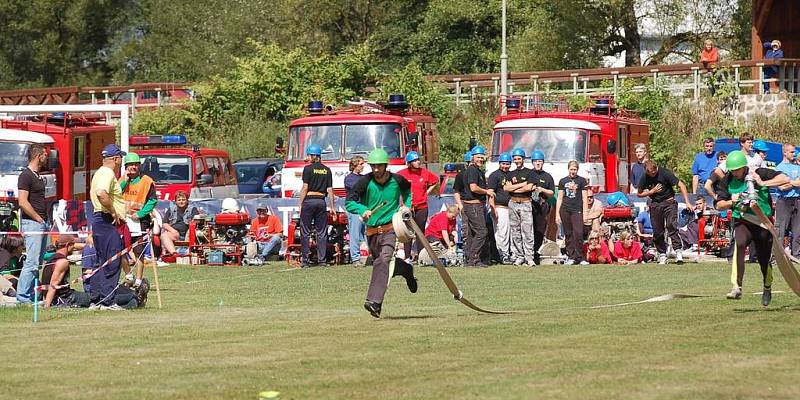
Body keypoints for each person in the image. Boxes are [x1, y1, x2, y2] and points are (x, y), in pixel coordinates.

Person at [345, 149, 417, 318]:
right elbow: (349, 202)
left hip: (390, 228)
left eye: (379, 166)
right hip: (372, 232)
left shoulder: (397, 180)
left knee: (383, 260)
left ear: (385, 166)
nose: (376, 169)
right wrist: (362, 209)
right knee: (381, 263)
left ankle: (374, 302)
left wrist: (406, 206)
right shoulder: (364, 182)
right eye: (373, 166)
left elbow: (408, 191)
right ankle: (405, 269)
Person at [713, 150, 789, 306]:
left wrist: (762, 183)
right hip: (743, 220)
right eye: (732, 170)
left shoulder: (758, 172)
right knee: (739, 245)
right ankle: (736, 286)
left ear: (744, 167)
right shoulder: (727, 180)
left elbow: (784, 178)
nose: (735, 173)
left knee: (763, 259)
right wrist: (731, 202)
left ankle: (767, 287)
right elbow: (719, 204)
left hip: (762, 223)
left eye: (737, 170)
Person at [88, 144, 128, 307]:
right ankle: (107, 301)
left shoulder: (100, 172)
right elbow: (101, 193)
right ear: (116, 159)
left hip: (100, 221)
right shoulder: (107, 173)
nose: (121, 162)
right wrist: (113, 212)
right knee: (112, 260)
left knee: (102, 261)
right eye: (121, 158)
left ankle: (96, 299)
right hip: (105, 220)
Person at [637, 160, 692, 264]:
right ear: (646, 172)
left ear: (656, 168)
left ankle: (678, 251)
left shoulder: (665, 173)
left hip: (669, 202)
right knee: (657, 231)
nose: (653, 174)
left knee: (671, 225)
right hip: (655, 204)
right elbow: (639, 194)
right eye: (651, 173)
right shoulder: (644, 177)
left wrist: (687, 202)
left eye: (654, 172)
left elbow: (682, 185)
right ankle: (662, 254)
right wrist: (651, 192)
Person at [16, 143, 50, 304]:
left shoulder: (38, 176)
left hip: (42, 223)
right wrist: (38, 218)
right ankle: (22, 297)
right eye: (45, 154)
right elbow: (22, 202)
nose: (47, 157)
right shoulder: (25, 176)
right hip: (33, 224)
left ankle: (31, 294)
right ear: (38, 156)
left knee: (38, 262)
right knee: (32, 261)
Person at [119, 152, 158, 288]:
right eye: (130, 165)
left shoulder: (147, 181)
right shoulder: (122, 180)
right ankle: (128, 275)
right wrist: (125, 180)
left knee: (139, 250)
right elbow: (117, 193)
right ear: (126, 166)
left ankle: (139, 280)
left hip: (140, 220)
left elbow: (153, 200)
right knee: (121, 248)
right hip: (123, 219)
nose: (133, 167)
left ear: (139, 166)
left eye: (135, 164)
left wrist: (141, 213)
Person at [396, 151, 439, 261]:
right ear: (409, 163)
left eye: (418, 160)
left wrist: (427, 193)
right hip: (407, 208)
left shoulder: (424, 173)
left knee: (420, 232)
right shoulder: (402, 173)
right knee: (407, 233)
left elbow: (435, 181)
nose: (418, 162)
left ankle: (421, 256)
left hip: (422, 207)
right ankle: (407, 257)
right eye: (415, 161)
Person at [297, 144, 336, 267]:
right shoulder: (327, 170)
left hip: (309, 201)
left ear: (314, 155)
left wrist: (300, 203)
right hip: (321, 202)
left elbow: (305, 187)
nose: (308, 158)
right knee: (322, 232)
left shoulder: (307, 169)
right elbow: (330, 190)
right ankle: (322, 261)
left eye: (309, 155)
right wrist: (333, 207)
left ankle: (305, 261)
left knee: (305, 231)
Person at [461, 146, 495, 267]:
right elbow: (473, 188)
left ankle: (471, 260)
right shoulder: (473, 170)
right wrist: (487, 192)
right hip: (473, 205)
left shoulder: (476, 170)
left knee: (472, 233)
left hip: (472, 205)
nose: (480, 159)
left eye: (482, 157)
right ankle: (473, 258)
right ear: (472, 157)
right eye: (478, 157)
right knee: (482, 232)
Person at [503, 148, 536, 266]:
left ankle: (529, 257)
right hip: (513, 203)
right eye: (515, 159)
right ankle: (519, 256)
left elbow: (530, 187)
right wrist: (522, 184)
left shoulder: (530, 172)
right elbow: (506, 188)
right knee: (515, 231)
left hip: (525, 202)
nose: (517, 161)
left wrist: (515, 187)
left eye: (519, 158)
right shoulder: (510, 174)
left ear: (523, 159)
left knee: (527, 231)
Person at [41, 235, 92, 308]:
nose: (74, 248)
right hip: (65, 298)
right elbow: (53, 286)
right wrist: (47, 306)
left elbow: (84, 246)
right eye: (73, 245)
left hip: (58, 296)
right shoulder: (63, 262)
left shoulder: (52, 258)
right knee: (93, 297)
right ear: (68, 245)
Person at [556, 160, 589, 265]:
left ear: (577, 170)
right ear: (568, 169)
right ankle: (571, 256)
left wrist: (586, 213)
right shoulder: (562, 181)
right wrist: (557, 213)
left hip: (577, 209)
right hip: (565, 209)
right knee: (568, 234)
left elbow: (584, 198)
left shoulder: (581, 181)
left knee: (578, 233)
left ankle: (580, 257)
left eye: (575, 169)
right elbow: (560, 198)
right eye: (571, 169)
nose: (573, 171)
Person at [529, 149, 555, 265]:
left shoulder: (547, 176)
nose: (538, 163)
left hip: (542, 205)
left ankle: (536, 253)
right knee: (528, 230)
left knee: (540, 230)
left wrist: (542, 190)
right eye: (536, 161)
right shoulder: (528, 174)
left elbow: (551, 193)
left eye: (540, 161)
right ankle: (527, 254)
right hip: (529, 204)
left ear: (543, 162)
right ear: (532, 162)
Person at [774, 143, 800, 257]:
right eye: (792, 152)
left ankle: (796, 254)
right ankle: (778, 256)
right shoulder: (779, 168)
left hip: (797, 200)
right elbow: (781, 187)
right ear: (785, 152)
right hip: (784, 201)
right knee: (781, 229)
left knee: (797, 229)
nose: (794, 154)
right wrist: (794, 183)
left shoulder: (797, 167)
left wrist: (788, 182)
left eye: (794, 152)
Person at [487, 153, 512, 263]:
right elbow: (491, 193)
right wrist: (493, 208)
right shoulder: (494, 175)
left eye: (507, 164)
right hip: (499, 207)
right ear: (499, 163)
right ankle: (503, 254)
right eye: (503, 163)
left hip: (511, 207)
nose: (505, 166)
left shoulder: (511, 175)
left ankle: (509, 253)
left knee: (510, 232)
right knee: (501, 232)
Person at [160, 190, 200, 257]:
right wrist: (173, 231)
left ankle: (189, 252)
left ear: (187, 200)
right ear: (175, 201)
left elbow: (196, 221)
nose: (181, 201)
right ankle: (174, 254)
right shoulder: (171, 209)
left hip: (189, 234)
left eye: (183, 200)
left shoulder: (193, 209)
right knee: (164, 235)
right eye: (179, 200)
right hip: (175, 234)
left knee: (192, 231)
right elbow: (164, 223)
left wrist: (190, 231)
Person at [344, 156, 366, 263]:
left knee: (367, 233)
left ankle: (369, 255)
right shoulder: (349, 178)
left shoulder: (364, 177)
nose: (363, 166)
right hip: (354, 209)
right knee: (355, 234)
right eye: (361, 164)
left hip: (365, 208)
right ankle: (355, 258)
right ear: (354, 165)